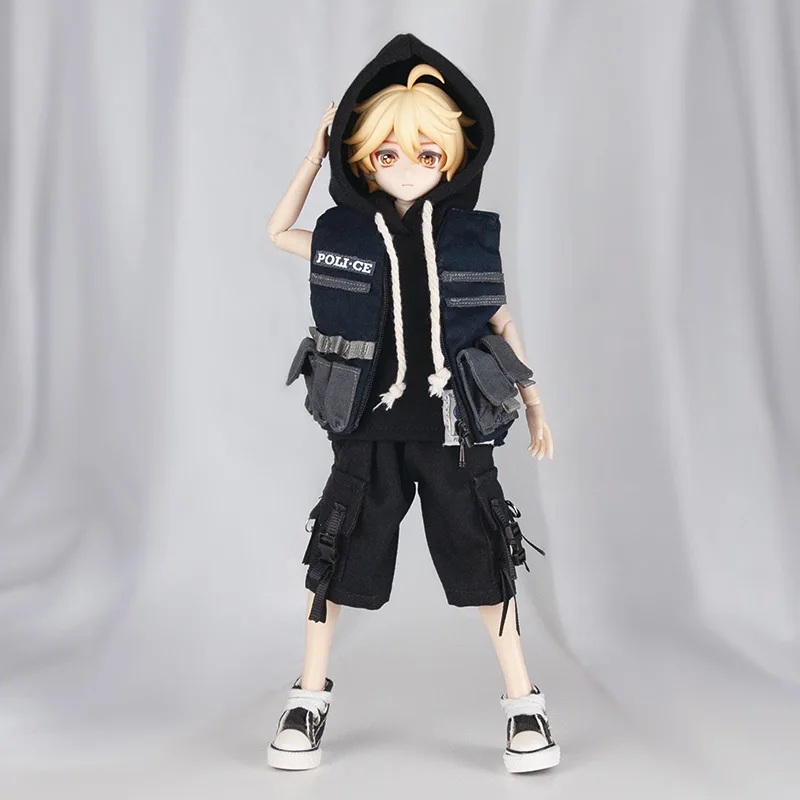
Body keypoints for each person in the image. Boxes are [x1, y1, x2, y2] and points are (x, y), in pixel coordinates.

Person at [265, 33, 558, 774]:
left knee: (486, 554)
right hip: (366, 427)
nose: (405, 168)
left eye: (427, 154)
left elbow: (501, 320)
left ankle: (523, 703)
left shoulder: (466, 240)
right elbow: (277, 232)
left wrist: (533, 402)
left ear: (453, 160)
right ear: (363, 159)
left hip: (455, 428)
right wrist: (313, 158)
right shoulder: (347, 235)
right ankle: (307, 695)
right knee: (334, 556)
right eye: (386, 153)